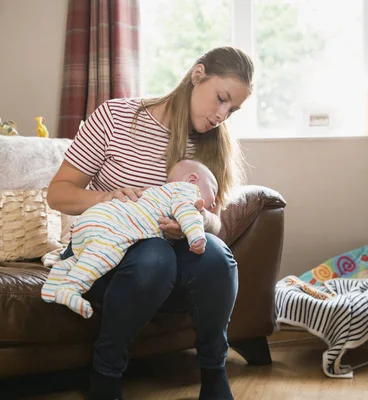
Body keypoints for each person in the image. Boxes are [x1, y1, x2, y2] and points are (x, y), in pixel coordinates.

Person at [47, 46, 253, 400]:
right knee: (154, 255)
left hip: (174, 264)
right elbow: (58, 193)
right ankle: (106, 371)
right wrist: (106, 197)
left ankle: (214, 371)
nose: (222, 115)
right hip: (108, 255)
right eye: (221, 99)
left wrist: (199, 220)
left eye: (232, 110)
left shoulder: (213, 145)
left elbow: (216, 224)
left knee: (217, 255)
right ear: (197, 74)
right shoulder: (115, 117)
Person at [41, 159, 218, 319]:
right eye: (212, 191)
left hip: (89, 221)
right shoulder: (186, 190)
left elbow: (214, 221)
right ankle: (71, 288)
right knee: (109, 250)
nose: (214, 203)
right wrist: (196, 235)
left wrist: (204, 219)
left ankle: (56, 282)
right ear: (192, 180)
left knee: (84, 255)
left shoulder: (154, 193)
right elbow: (188, 213)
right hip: (111, 224)